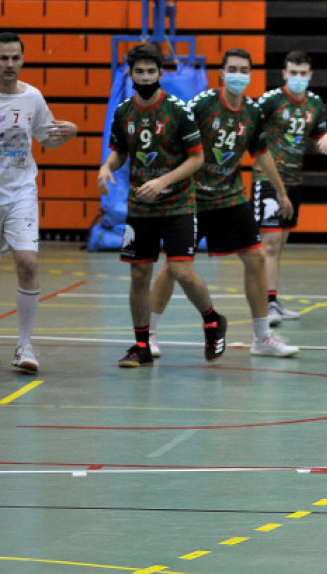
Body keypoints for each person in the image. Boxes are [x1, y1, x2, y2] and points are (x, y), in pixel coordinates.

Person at [147, 49, 298, 358]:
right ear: (221, 73)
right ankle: (148, 335)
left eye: (244, 69)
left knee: (255, 258)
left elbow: (262, 154)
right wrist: (165, 183)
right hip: (191, 197)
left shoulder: (253, 112)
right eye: (233, 68)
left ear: (250, 75)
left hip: (229, 196)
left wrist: (281, 191)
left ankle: (262, 337)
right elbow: (175, 141)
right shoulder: (202, 106)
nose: (238, 74)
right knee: (173, 267)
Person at [97, 43, 226, 367]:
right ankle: (141, 345)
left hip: (178, 204)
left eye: (150, 71)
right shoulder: (124, 111)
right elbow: (120, 152)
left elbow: (197, 158)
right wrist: (106, 167)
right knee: (139, 274)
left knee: (181, 270)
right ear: (130, 74)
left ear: (160, 74)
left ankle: (212, 321)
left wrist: (164, 181)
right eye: (138, 72)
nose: (144, 77)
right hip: (141, 207)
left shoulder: (177, 111)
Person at [0, 32, 78, 373]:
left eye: (16, 58)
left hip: (20, 192)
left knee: (27, 262)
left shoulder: (33, 98)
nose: (10, 64)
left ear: (22, 60)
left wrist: (67, 134)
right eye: (3, 58)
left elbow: (45, 139)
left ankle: (25, 346)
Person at [251, 50, 327, 325]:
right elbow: (249, 126)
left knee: (281, 242)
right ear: (284, 74)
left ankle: (273, 299)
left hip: (294, 179)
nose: (298, 78)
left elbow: (319, 133)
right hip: (267, 179)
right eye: (293, 73)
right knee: (270, 243)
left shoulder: (314, 103)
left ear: (310, 75)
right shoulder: (270, 100)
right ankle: (267, 303)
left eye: (303, 73)